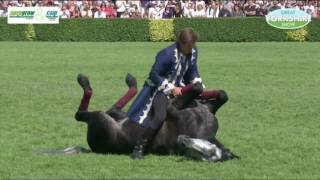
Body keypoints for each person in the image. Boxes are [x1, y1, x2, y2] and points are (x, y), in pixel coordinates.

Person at [124, 28, 228, 159]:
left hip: (181, 89)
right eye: (190, 46)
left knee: (197, 107)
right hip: (159, 90)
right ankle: (139, 148)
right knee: (160, 117)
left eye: (194, 45)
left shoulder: (193, 52)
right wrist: (171, 88)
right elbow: (154, 75)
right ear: (182, 43)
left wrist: (196, 81)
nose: (192, 48)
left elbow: (192, 71)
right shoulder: (166, 54)